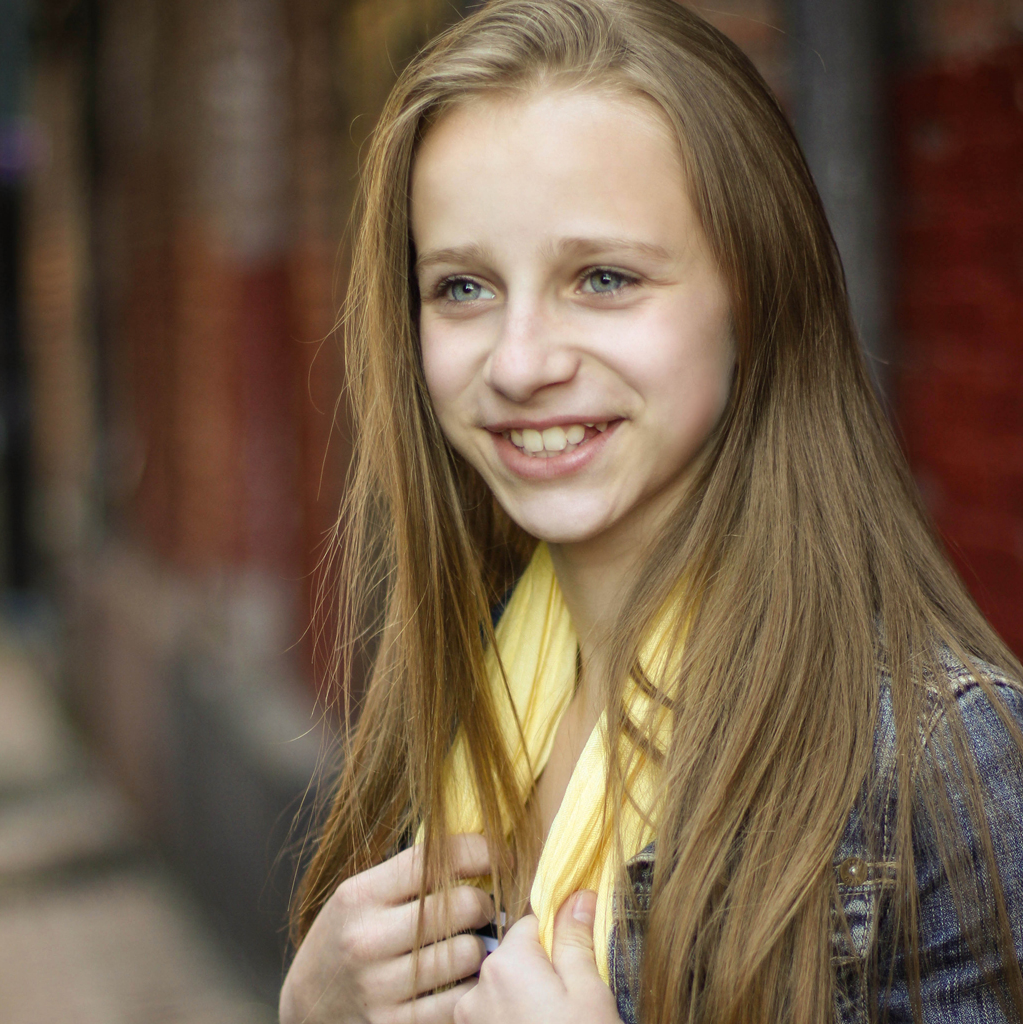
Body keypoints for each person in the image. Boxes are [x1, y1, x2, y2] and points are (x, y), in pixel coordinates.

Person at [279, 1, 1023, 1022]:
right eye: (462, 288)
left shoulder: (939, 759)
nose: (520, 363)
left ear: (753, 292)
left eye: (603, 278)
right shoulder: (458, 676)